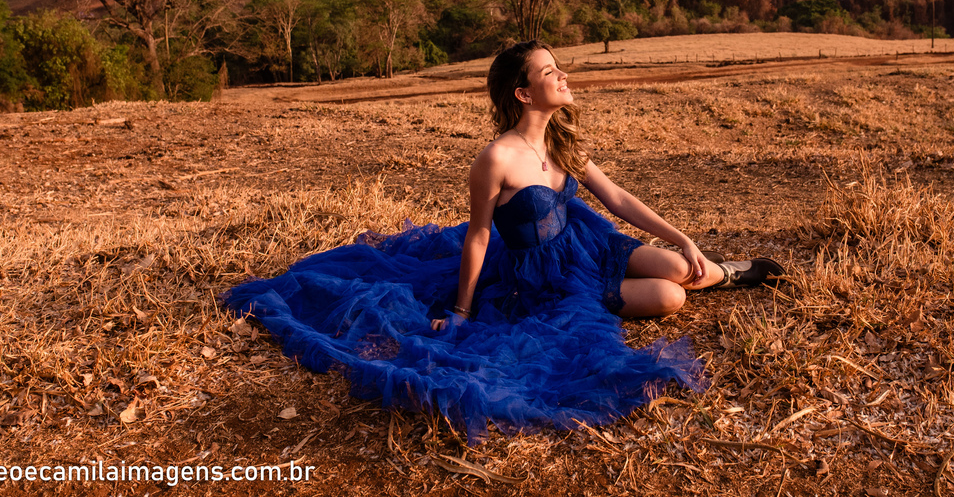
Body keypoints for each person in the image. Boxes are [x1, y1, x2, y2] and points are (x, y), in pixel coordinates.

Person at [225, 41, 782, 441]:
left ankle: (726, 270)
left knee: (679, 266)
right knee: (671, 296)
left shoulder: (563, 142)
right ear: (523, 92)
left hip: (587, 244)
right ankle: (709, 273)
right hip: (542, 277)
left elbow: (617, 200)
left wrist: (685, 238)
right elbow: (477, 236)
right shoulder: (496, 158)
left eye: (559, 67)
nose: (562, 76)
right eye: (549, 71)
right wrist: (462, 310)